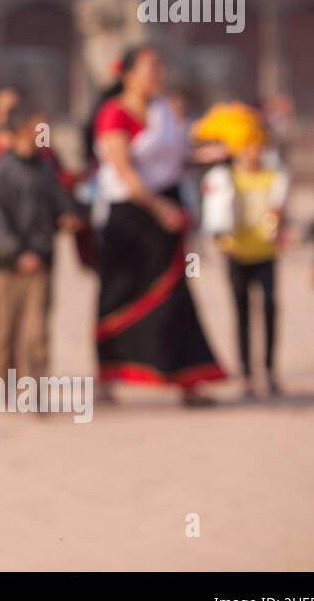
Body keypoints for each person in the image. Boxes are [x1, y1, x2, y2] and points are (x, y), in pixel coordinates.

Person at [93, 45, 226, 406]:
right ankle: (108, 376)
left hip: (167, 210)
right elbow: (124, 171)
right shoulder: (113, 114)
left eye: (160, 67)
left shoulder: (165, 111)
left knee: (175, 295)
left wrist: (209, 156)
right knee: (117, 293)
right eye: (151, 68)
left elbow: (177, 158)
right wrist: (158, 208)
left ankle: (187, 378)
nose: (158, 75)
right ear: (129, 75)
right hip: (131, 214)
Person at [193, 103, 290, 399]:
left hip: (265, 251)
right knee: (242, 312)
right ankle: (246, 374)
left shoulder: (275, 176)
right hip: (236, 253)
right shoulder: (224, 178)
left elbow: (281, 211)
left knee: (271, 307)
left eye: (257, 145)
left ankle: (270, 371)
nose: (252, 152)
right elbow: (214, 214)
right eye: (247, 146)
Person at [0, 103, 84, 392]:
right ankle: (0, 388)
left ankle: (34, 390)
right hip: (7, 264)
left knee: (37, 330)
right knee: (5, 330)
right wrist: (17, 252)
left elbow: (60, 204)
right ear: (20, 131)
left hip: (42, 259)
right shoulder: (1, 169)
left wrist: (68, 217)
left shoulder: (46, 167)